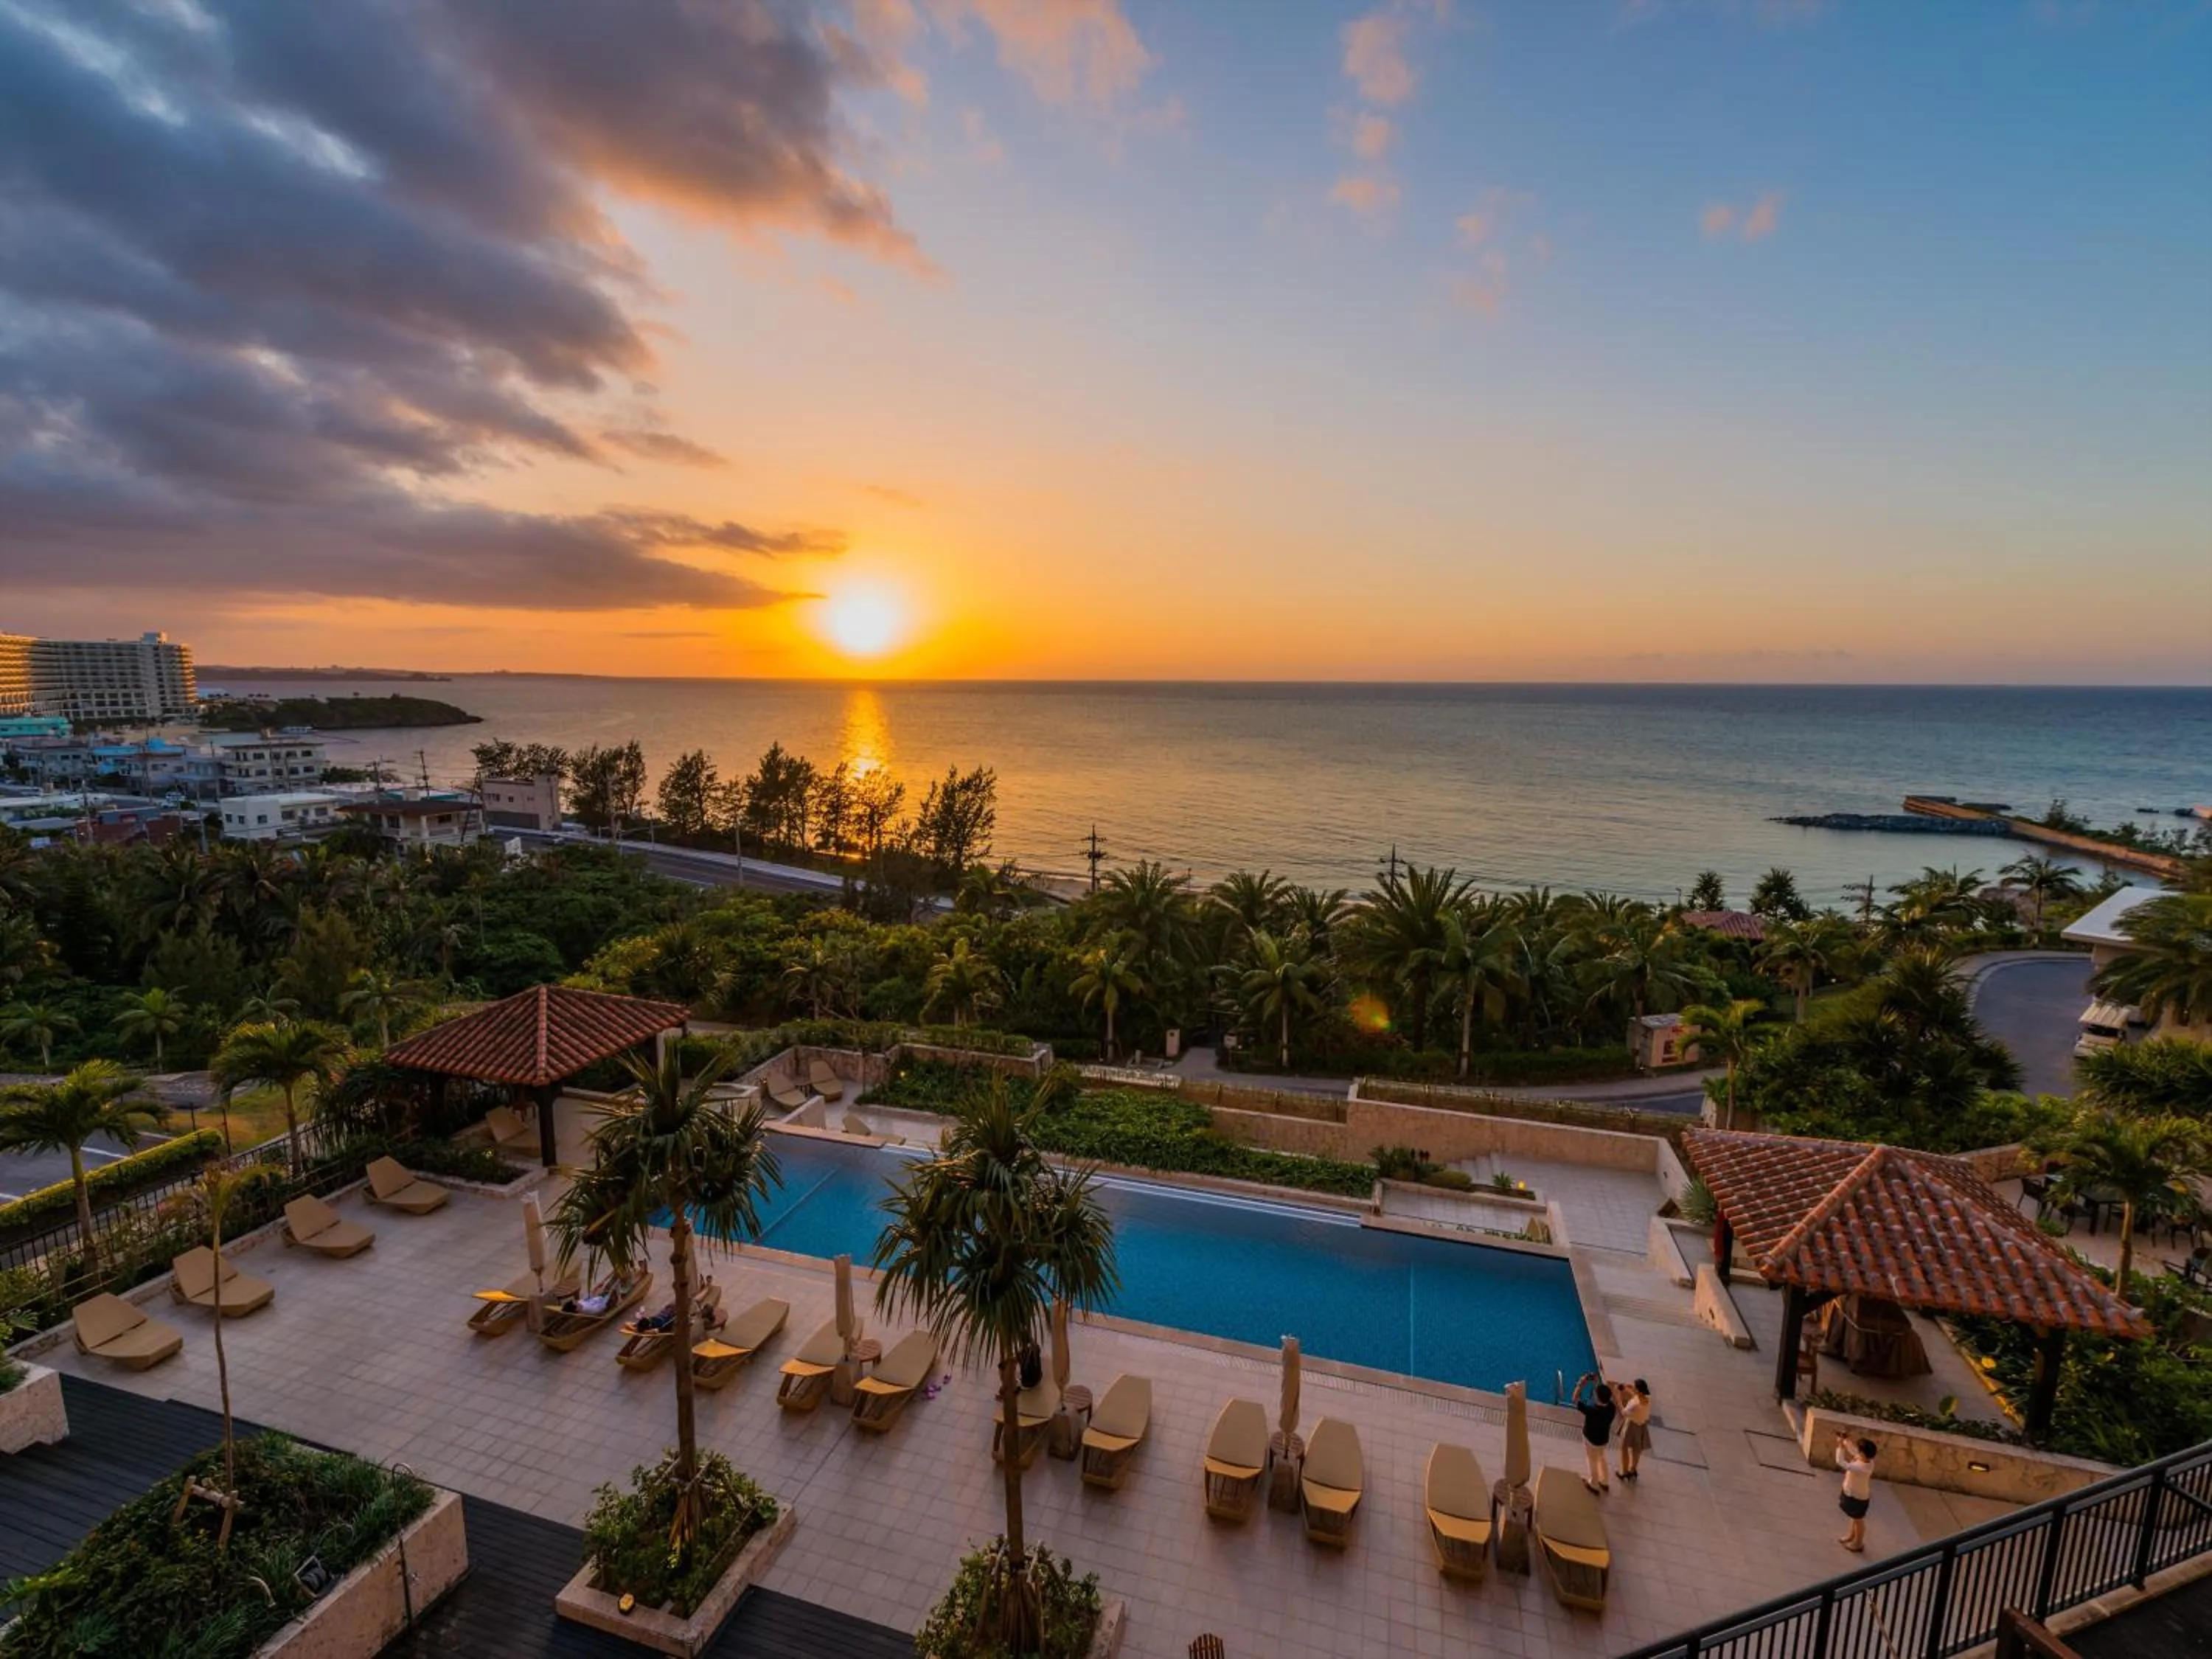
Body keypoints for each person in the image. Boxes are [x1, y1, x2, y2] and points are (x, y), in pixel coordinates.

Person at [1571, 1372, 1617, 1494]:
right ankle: (1605, 1481)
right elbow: (1603, 1395)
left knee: (1592, 1461)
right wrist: (1596, 1382)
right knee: (1601, 1458)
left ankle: (1594, 1484)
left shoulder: (1593, 1411)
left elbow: (1575, 1399)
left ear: (1598, 1398)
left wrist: (1581, 1384)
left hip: (1591, 1440)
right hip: (1603, 1440)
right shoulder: (1611, 1407)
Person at [1834, 1433, 1877, 1551]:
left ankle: (1858, 1543)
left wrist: (1840, 1446)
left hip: (1857, 1497)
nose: (1857, 1451)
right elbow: (1854, 1451)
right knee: (1854, 1518)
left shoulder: (1861, 1468)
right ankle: (1851, 1536)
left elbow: (1841, 1462)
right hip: (1852, 1494)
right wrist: (1846, 1441)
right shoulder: (1869, 1461)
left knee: (1858, 1520)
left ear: (1863, 1453)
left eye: (1859, 1450)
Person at [1615, 1379, 1652, 1481]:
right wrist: (1628, 1390)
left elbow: (1623, 1412)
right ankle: (1633, 1470)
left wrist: (1619, 1398)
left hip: (1631, 1426)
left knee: (1624, 1448)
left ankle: (1624, 1472)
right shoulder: (1648, 1398)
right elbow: (1638, 1398)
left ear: (1638, 1390)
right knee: (1637, 1450)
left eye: (1634, 1387)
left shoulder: (1634, 1403)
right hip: (1642, 1426)